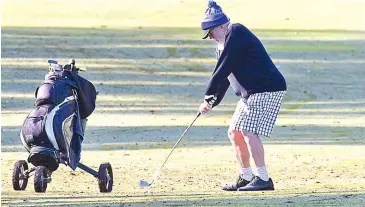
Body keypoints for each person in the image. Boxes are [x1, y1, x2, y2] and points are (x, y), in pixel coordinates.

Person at [198, 0, 287, 191]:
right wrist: (212, 102)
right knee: (234, 132)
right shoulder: (222, 46)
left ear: (221, 25)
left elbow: (221, 69)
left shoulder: (237, 31)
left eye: (212, 32)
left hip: (266, 88)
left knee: (247, 130)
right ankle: (246, 176)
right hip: (250, 93)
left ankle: (263, 178)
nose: (211, 37)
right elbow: (223, 79)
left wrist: (207, 95)